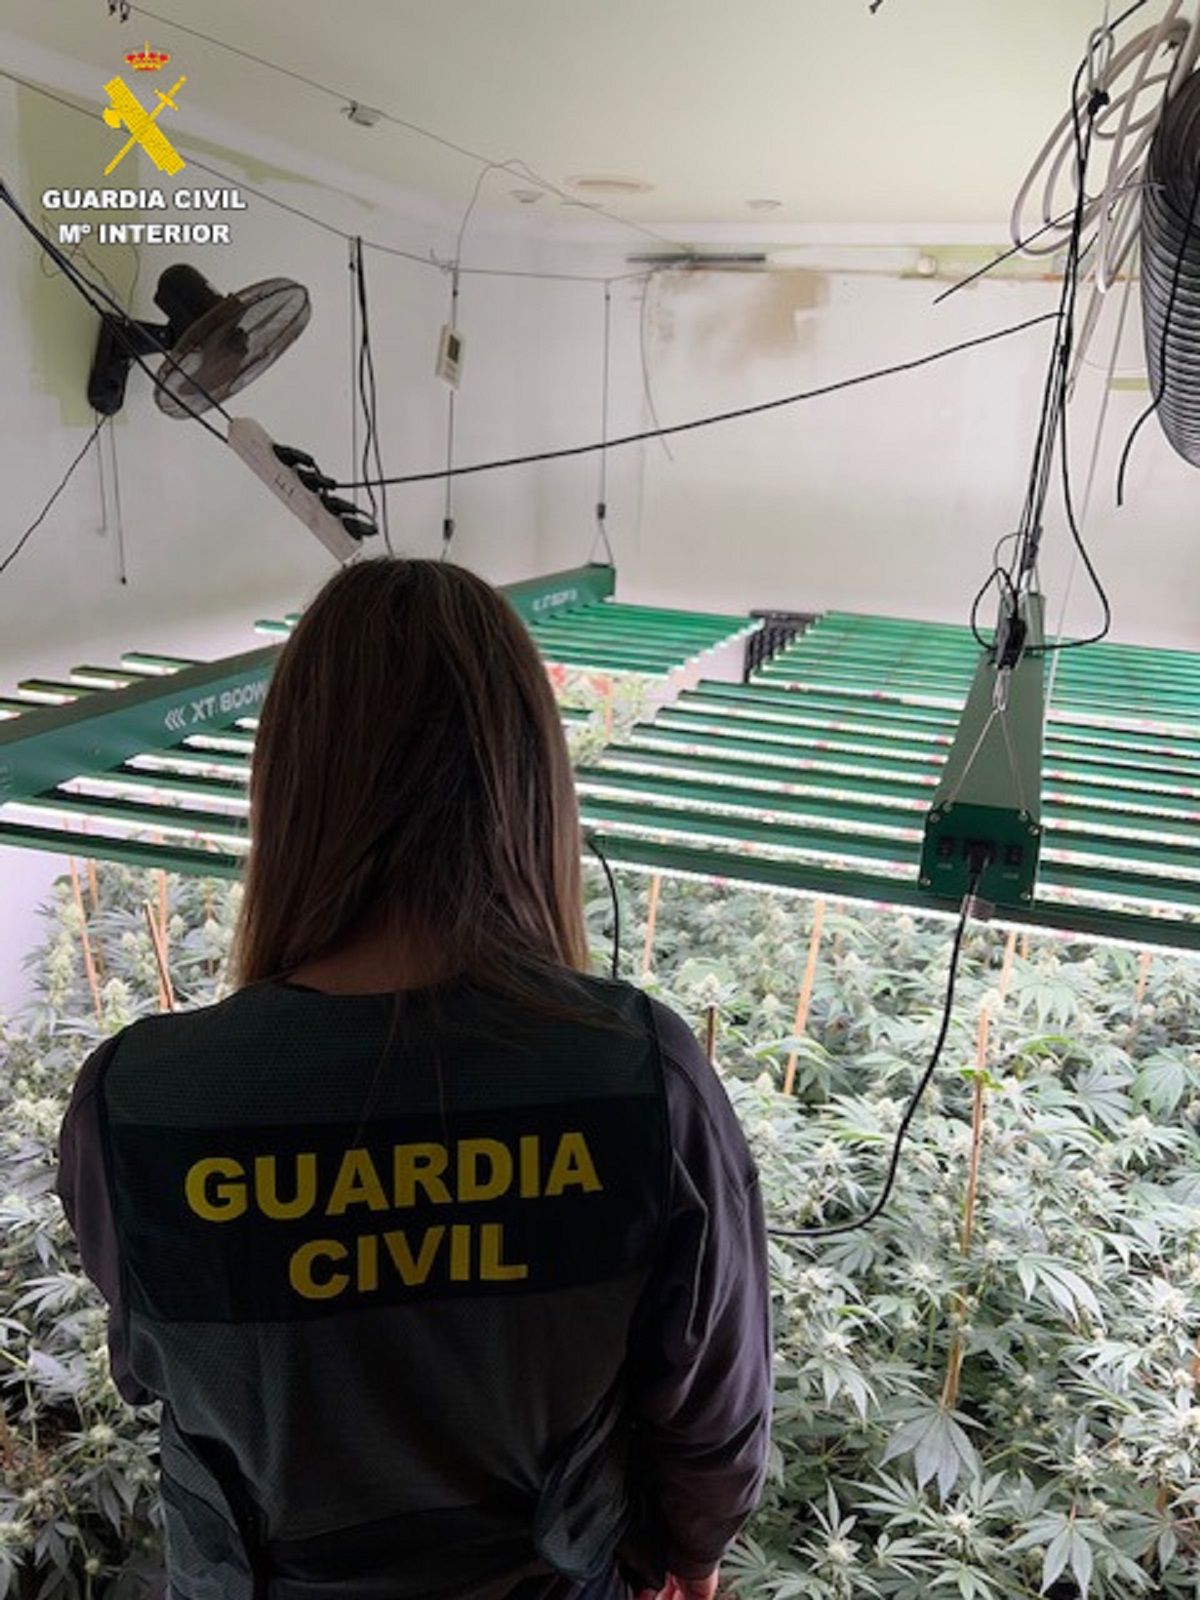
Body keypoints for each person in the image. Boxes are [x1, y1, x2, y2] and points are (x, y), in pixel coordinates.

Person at [56, 558, 772, 1600]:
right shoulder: (640, 1075)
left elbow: (154, 1371)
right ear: (527, 782)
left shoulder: (134, 1105)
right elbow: (711, 1408)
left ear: (292, 788)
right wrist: (692, 1556)